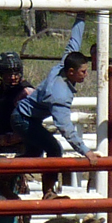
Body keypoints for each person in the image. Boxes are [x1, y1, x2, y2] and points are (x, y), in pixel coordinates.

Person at [11, 13, 98, 197]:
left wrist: (81, 18)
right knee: (54, 148)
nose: (86, 74)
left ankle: (5, 174)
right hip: (23, 119)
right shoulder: (59, 95)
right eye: (83, 72)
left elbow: (74, 41)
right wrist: (86, 151)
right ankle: (48, 192)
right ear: (72, 72)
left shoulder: (63, 65)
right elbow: (65, 128)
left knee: (34, 154)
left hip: (25, 116)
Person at [0, 52, 34, 151]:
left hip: (22, 148)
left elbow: (32, 128)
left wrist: (6, 140)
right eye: (8, 73)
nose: (12, 77)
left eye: (16, 73)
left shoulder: (25, 92)